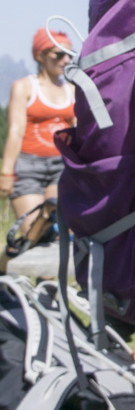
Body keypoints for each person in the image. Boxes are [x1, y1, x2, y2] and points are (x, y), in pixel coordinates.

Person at [1, 29, 76, 254]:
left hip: (60, 166)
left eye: (69, 54)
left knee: (57, 234)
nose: (65, 60)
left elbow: (77, 131)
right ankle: (4, 267)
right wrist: (6, 173)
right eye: (58, 54)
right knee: (32, 234)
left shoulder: (71, 90)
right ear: (39, 56)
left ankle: (48, 281)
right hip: (28, 167)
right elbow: (15, 131)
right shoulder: (24, 86)